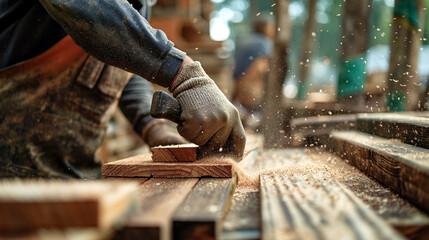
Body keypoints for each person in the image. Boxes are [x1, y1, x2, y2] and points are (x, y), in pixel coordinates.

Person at [0, 0, 246, 178]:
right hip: (12, 178)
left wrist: (152, 127)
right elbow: (88, 8)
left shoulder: (139, 4)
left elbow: (119, 71)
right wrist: (185, 75)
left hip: (76, 175)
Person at [233, 14, 275, 130]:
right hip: (252, 86)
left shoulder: (243, 41)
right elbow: (262, 65)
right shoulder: (264, 43)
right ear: (266, 28)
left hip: (238, 86)